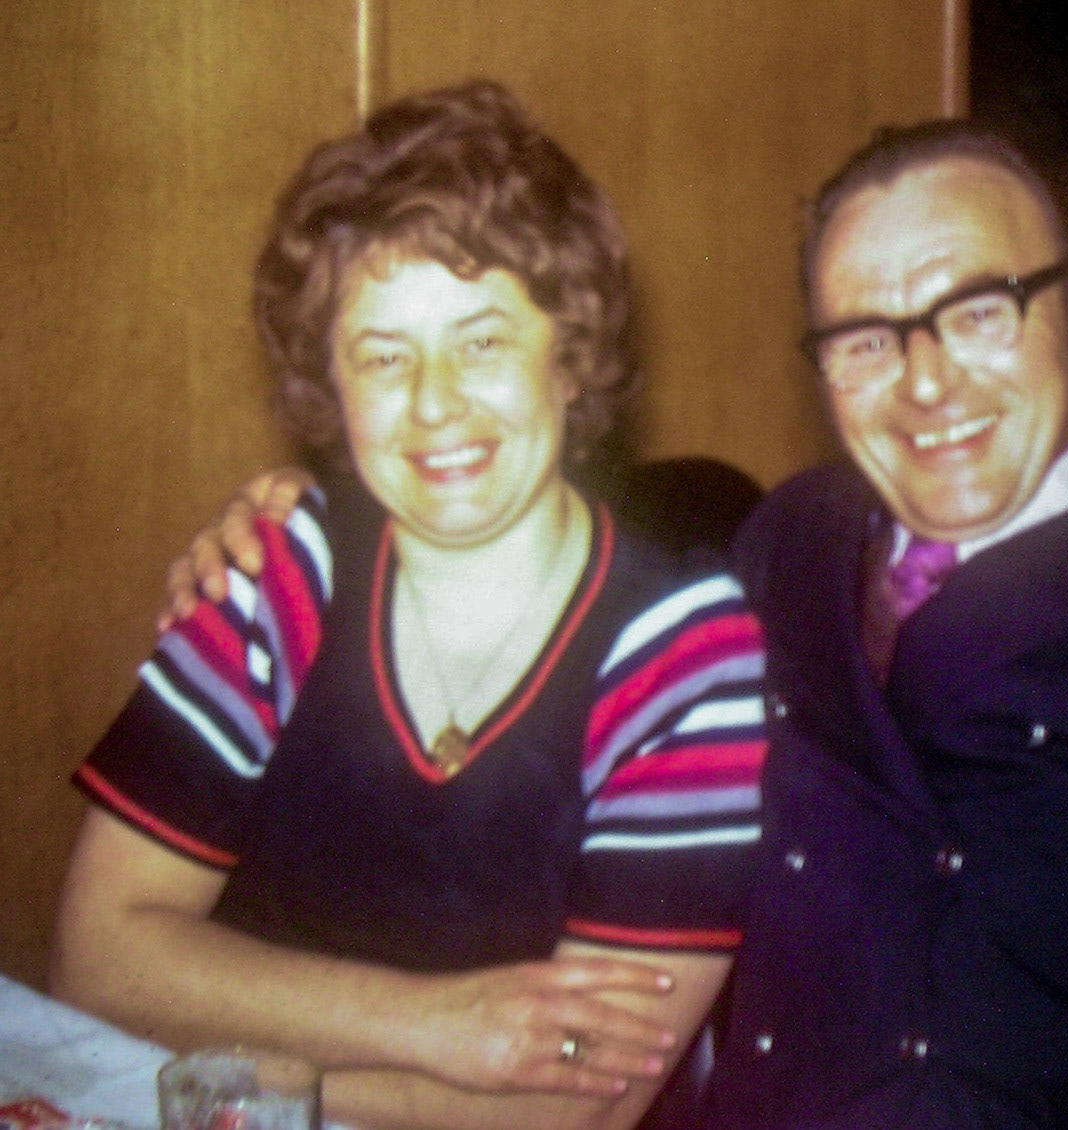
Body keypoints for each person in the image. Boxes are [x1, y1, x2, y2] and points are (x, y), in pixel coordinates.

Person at [158, 119, 1068, 1127]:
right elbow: (529, 559)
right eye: (859, 337)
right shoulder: (782, 547)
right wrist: (305, 524)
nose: (919, 381)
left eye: (974, 311)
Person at [49, 80, 766, 1130]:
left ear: (569, 357)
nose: (433, 402)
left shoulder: (685, 651)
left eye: (481, 341)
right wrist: (450, 1026)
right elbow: (96, 957)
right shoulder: (275, 570)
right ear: (330, 388)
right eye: (383, 355)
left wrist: (247, 1072)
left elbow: (574, 1107)